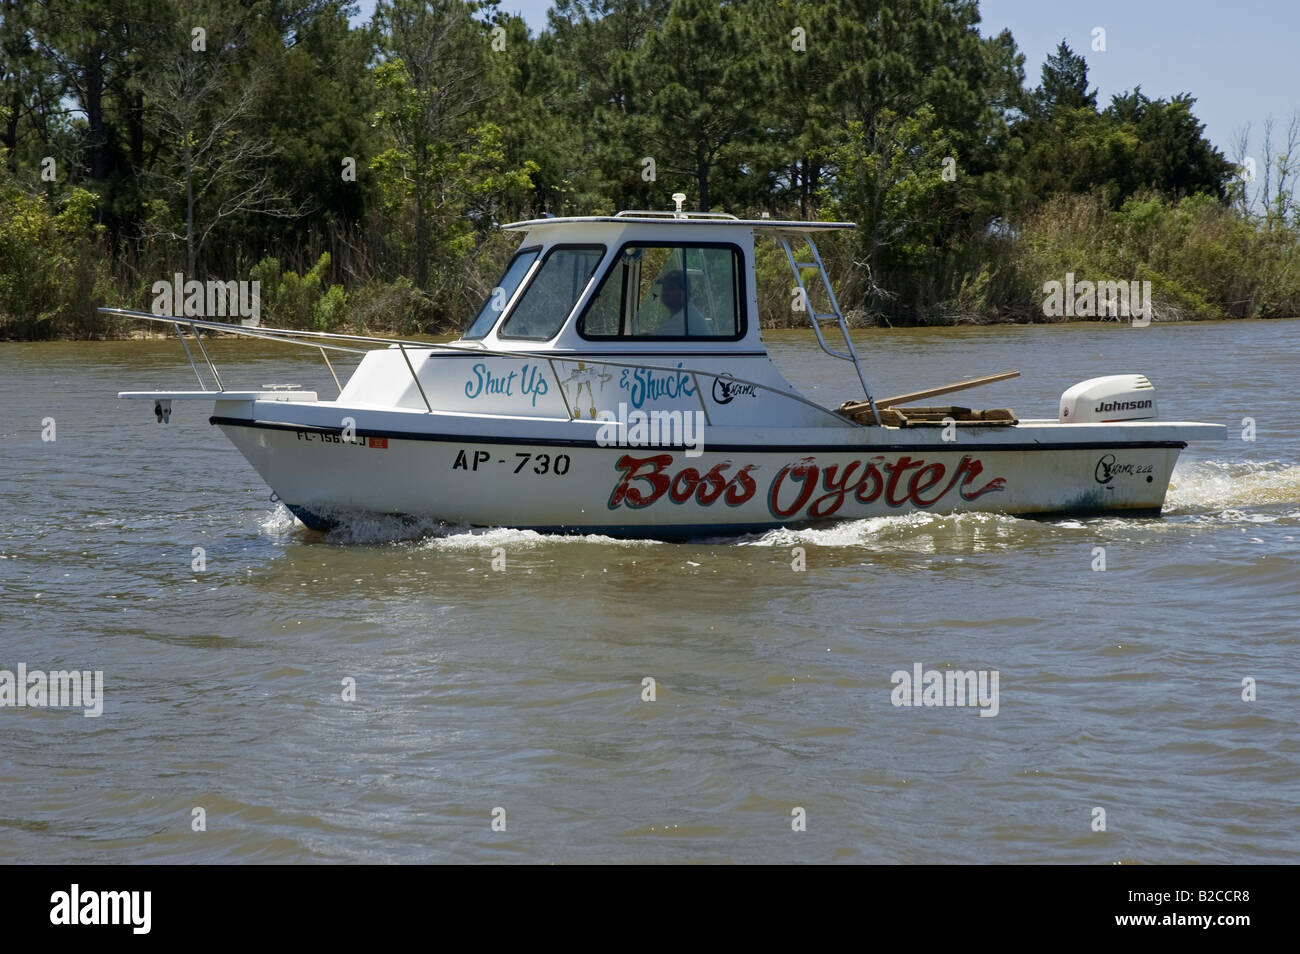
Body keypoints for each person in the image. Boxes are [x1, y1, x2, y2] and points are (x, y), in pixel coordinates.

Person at [642, 270, 714, 336]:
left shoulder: (683, 319)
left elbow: (648, 342)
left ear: (683, 293)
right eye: (664, 288)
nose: (665, 292)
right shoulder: (687, 313)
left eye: (671, 288)